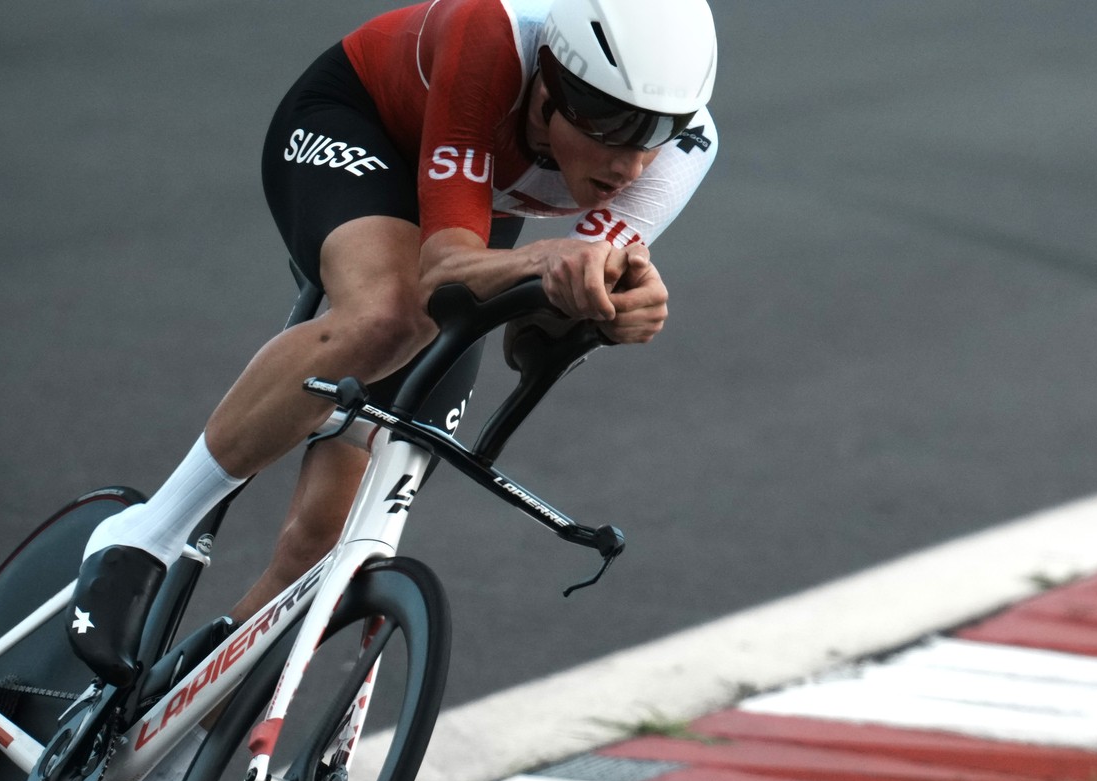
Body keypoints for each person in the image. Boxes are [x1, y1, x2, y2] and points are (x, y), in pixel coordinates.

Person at [67, 0, 720, 687]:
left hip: (469, 213)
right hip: (362, 128)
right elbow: (443, 269)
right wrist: (547, 263)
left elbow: (533, 331)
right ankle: (146, 533)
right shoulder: (491, 37)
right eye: (615, 125)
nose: (632, 162)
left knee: (330, 542)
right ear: (553, 82)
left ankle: (177, 741)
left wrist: (615, 312)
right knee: (391, 313)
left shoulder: (683, 153)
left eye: (660, 131)